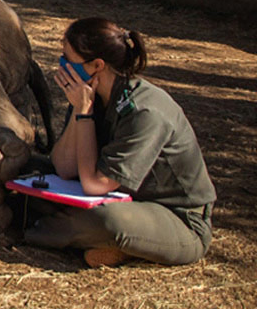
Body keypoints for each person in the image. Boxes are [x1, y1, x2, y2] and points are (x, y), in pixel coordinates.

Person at [24, 17, 216, 267]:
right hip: (119, 197)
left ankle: (35, 229)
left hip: (176, 219)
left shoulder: (145, 111)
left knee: (108, 221)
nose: (61, 66)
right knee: (27, 171)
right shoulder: (89, 95)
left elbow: (94, 184)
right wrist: (80, 111)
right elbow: (63, 167)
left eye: (68, 59)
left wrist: (83, 114)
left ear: (97, 66)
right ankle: (95, 240)